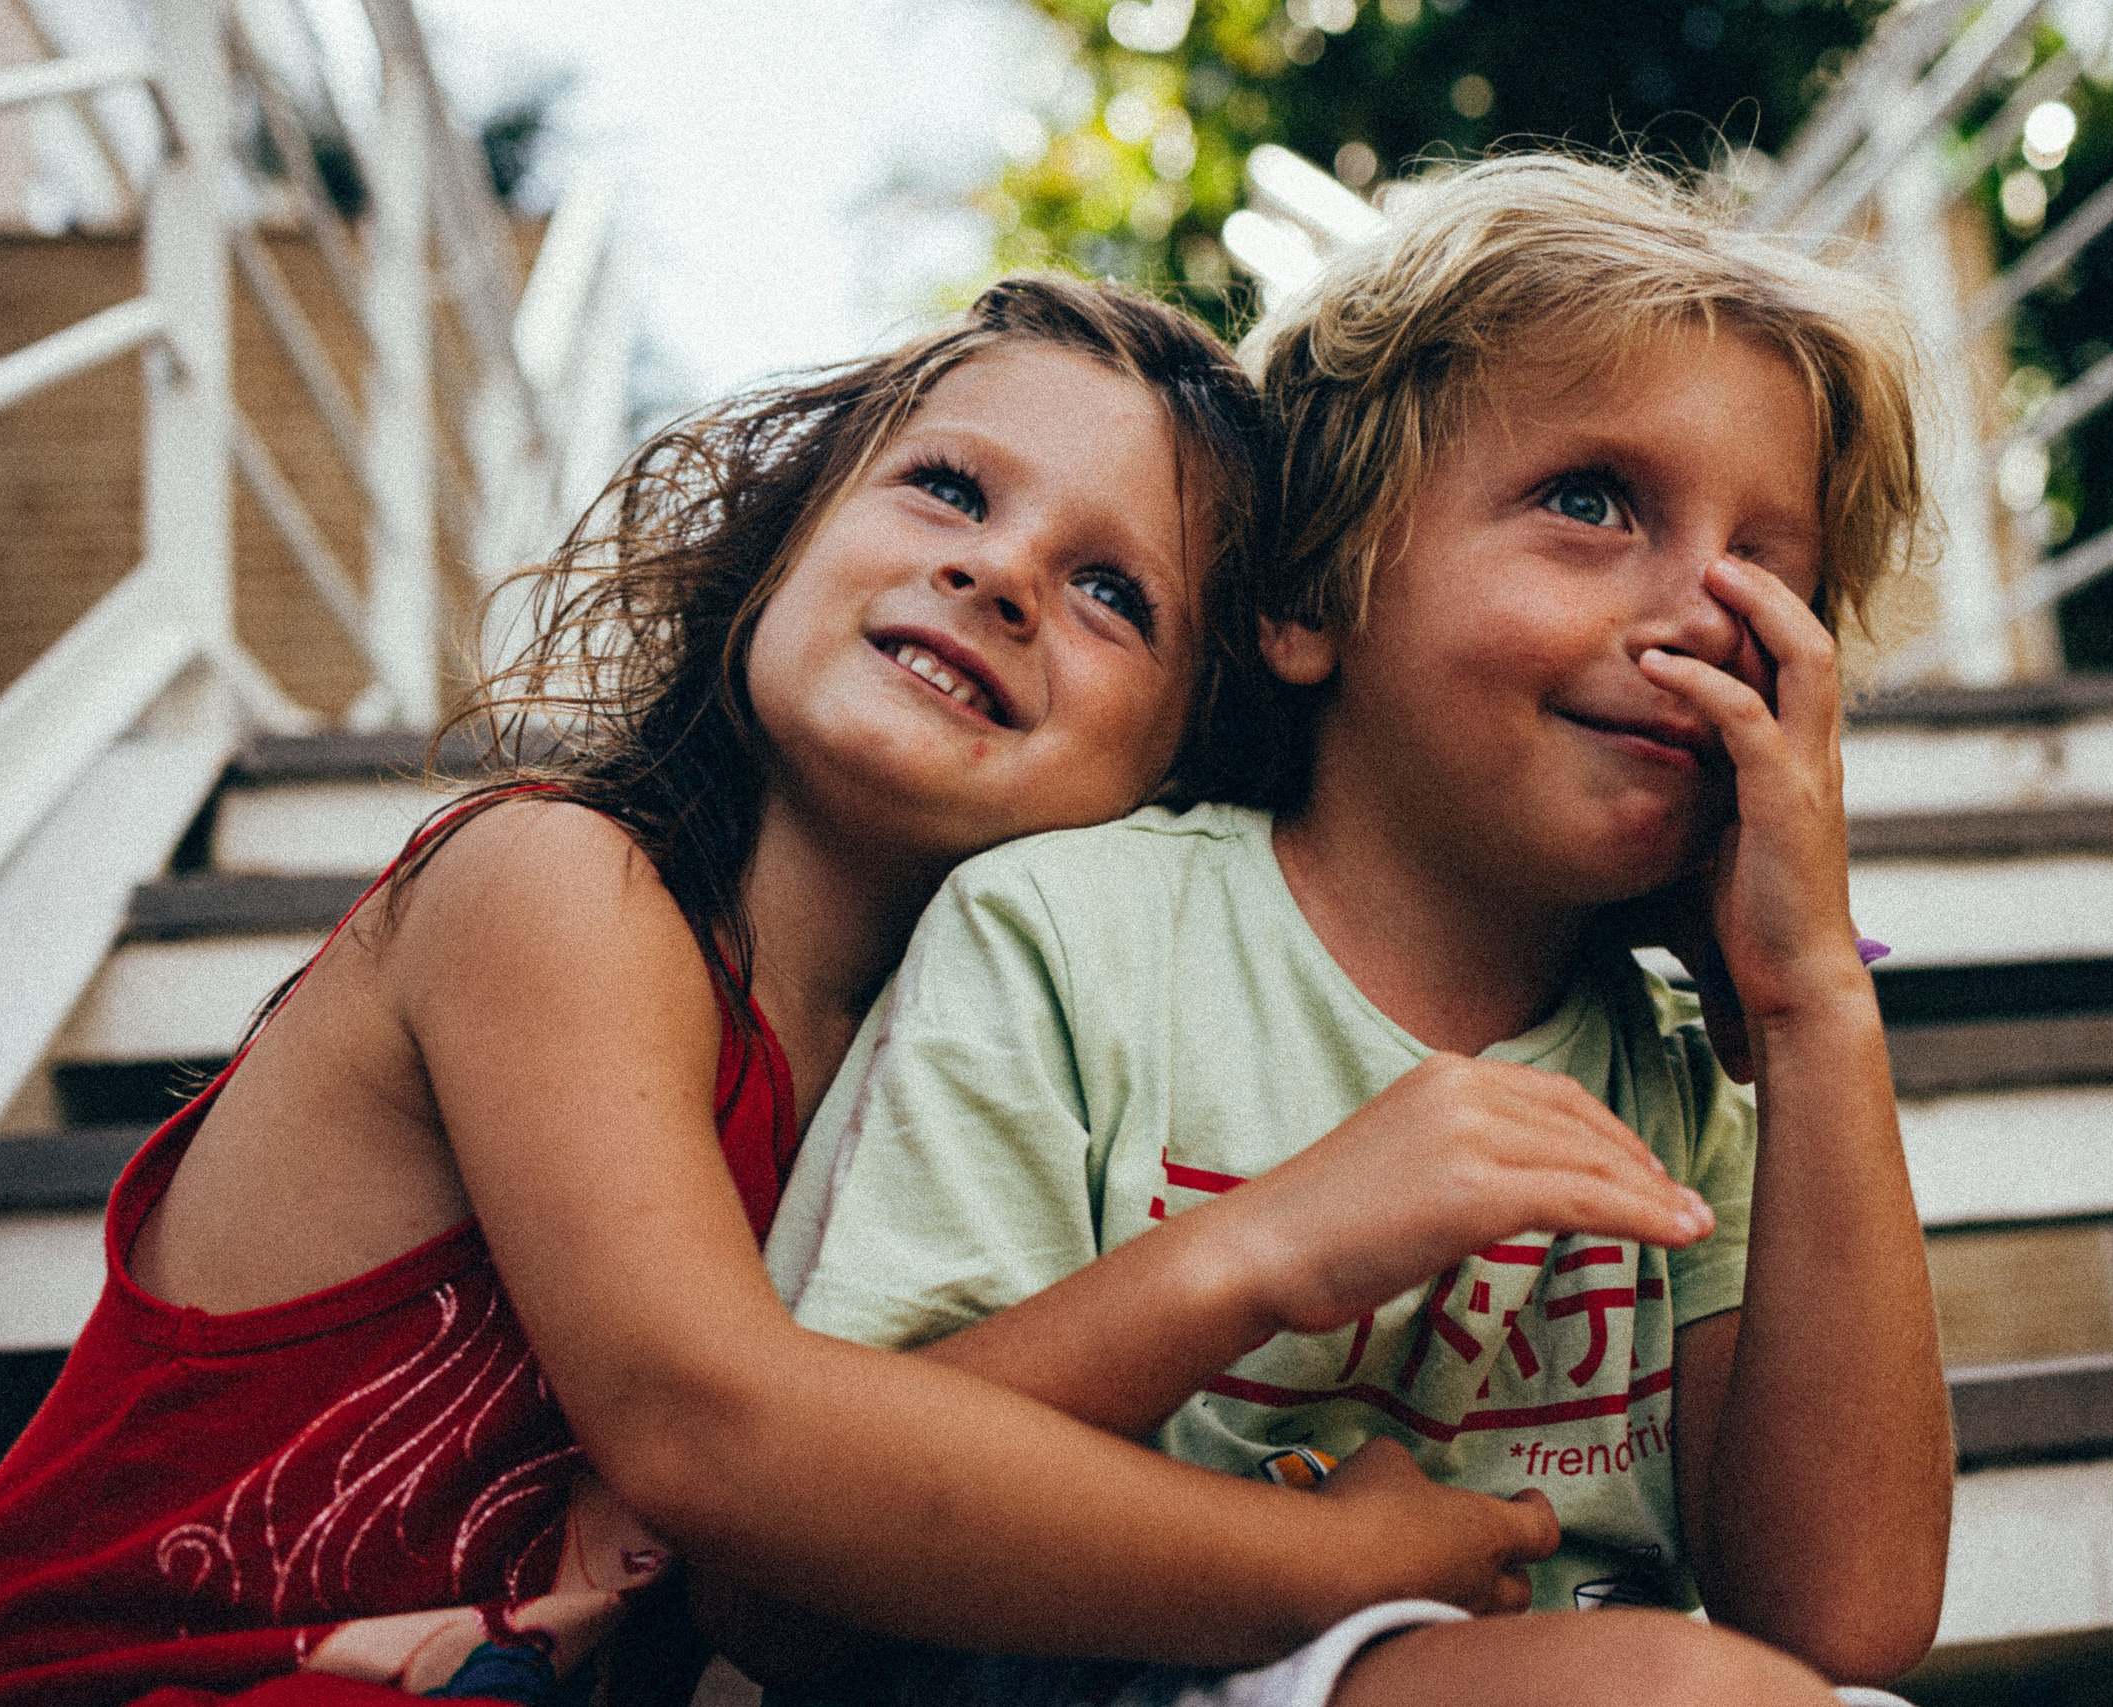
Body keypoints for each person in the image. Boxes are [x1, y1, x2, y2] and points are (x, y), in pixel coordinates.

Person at [0, 277, 1678, 1707]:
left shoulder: (982, 1089)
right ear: (784, 536)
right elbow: (716, 1437)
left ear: (1176, 766)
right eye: (948, 488)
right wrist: (1348, 1554)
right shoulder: (561, 886)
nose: (998, 574)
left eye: (1109, 593)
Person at [768, 156, 1954, 1707]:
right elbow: (804, 1565)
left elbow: (1845, 1621)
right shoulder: (1073, 932)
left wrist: (1807, 1002)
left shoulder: (1679, 1073)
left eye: (1766, 565)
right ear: (1316, 585)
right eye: (1591, 503)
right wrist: (1267, 1251)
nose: (1704, 618)